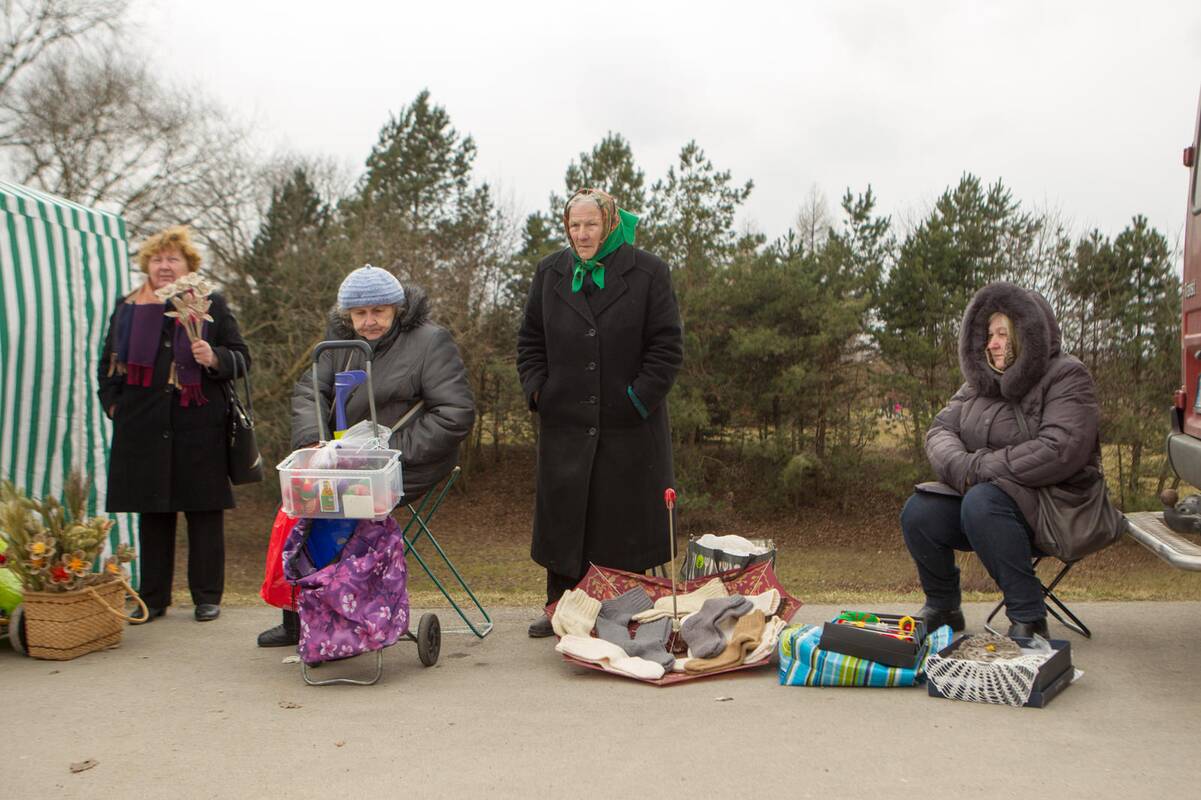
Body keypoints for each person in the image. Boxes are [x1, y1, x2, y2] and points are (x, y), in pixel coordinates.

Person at [256, 265, 475, 646]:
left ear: (397, 309)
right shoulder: (337, 344)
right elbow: (309, 392)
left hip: (405, 463)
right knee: (294, 509)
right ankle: (301, 616)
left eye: (379, 311)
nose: (369, 321)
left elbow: (455, 415)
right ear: (347, 314)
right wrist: (313, 442)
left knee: (336, 512)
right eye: (360, 313)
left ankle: (344, 624)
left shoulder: (430, 342)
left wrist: (386, 452)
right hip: (339, 462)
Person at [516, 188, 684, 638]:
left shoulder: (648, 272)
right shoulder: (550, 271)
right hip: (565, 424)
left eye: (591, 224)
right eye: (574, 225)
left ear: (609, 223)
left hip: (628, 429)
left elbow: (666, 348)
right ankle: (561, 609)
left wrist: (636, 400)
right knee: (567, 522)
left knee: (621, 525)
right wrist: (540, 392)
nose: (582, 234)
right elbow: (530, 341)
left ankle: (622, 612)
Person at [900, 281, 1105, 639]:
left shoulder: (1067, 375)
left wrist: (980, 469)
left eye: (1002, 334)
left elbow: (1059, 449)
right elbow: (940, 430)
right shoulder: (979, 382)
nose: (991, 343)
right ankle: (943, 607)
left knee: (982, 500)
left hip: (1056, 508)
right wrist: (964, 468)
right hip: (990, 508)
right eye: (988, 335)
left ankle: (1029, 617)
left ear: (1027, 336)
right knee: (919, 511)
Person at [97, 225, 250, 622]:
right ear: (147, 265)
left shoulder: (210, 303)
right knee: (153, 514)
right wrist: (114, 406)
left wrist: (214, 357)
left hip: (199, 425)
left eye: (172, 259)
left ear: (188, 265)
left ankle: (206, 596)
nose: (164, 266)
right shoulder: (127, 307)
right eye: (157, 259)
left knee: (204, 512)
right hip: (142, 427)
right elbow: (107, 363)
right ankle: (153, 598)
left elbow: (242, 358)